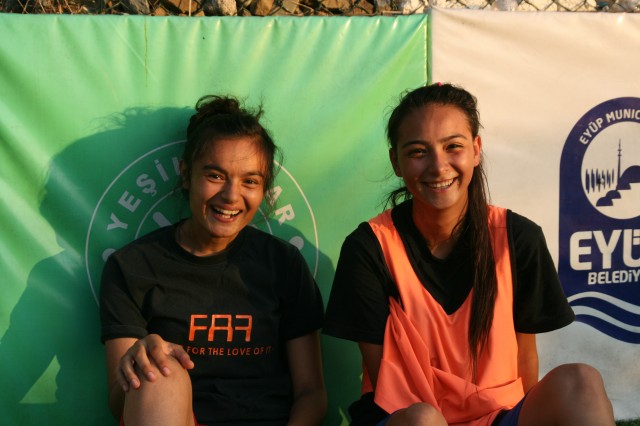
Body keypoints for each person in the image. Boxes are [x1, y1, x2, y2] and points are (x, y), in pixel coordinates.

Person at [323, 83, 615, 426]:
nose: (438, 166)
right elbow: (386, 384)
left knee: (581, 380)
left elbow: (525, 360)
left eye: (453, 147)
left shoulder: (518, 237)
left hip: (498, 416)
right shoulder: (370, 247)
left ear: (476, 150)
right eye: (418, 152)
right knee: (423, 420)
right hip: (407, 415)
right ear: (395, 161)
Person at [100, 95, 327, 426]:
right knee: (159, 368)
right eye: (216, 176)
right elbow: (118, 405)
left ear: (264, 190)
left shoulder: (284, 263)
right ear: (186, 174)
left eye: (250, 181)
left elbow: (311, 393)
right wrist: (138, 364)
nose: (231, 196)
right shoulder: (131, 266)